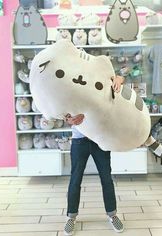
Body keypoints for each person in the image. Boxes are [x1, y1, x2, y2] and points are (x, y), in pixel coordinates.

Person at [63, 75, 125, 236]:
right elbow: (62, 113)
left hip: (100, 140)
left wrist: (118, 79)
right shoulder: (70, 84)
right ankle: (71, 217)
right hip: (79, 141)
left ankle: (112, 215)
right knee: (75, 179)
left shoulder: (97, 76)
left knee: (106, 178)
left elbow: (118, 76)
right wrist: (68, 119)